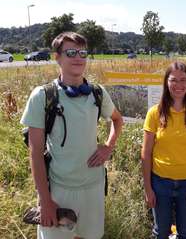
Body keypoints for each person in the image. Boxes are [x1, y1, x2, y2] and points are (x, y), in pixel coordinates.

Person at [21, 32, 123, 239]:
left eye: (83, 53)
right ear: (56, 57)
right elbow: (35, 154)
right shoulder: (43, 96)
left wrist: (108, 146)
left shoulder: (98, 93)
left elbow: (117, 120)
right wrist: (46, 201)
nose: (78, 57)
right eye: (71, 52)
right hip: (59, 190)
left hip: (93, 188)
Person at [141, 61, 186, 239]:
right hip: (160, 183)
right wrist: (148, 188)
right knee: (160, 231)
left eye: (183, 80)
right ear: (166, 82)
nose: (179, 85)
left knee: (185, 232)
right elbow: (146, 153)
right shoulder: (154, 113)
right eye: (174, 80)